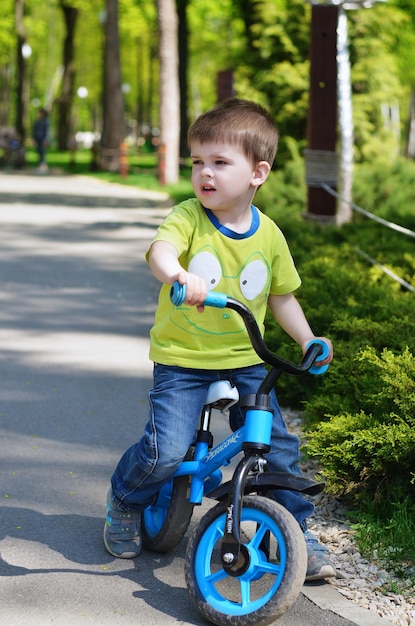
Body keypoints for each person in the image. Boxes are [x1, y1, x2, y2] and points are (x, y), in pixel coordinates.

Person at [104, 98, 335, 581]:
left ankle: (293, 530)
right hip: (183, 360)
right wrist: (179, 274)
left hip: (246, 359)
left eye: (219, 163)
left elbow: (281, 297)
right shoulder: (188, 216)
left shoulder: (268, 235)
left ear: (258, 172)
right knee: (166, 449)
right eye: (198, 163)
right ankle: (126, 497)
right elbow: (160, 252)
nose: (204, 174)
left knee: (276, 445)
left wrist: (308, 340)